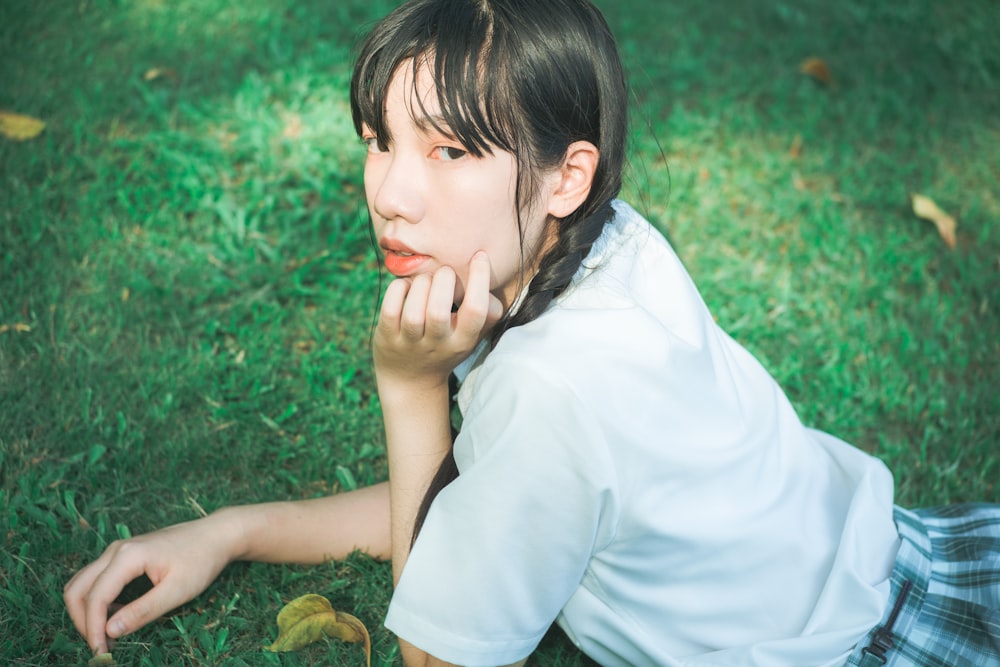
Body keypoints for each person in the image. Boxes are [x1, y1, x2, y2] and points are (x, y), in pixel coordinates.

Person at [64, 1, 1000, 665]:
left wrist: (409, 386)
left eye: (452, 150)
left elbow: (437, 653)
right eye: (378, 137)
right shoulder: (607, 246)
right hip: (906, 558)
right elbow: (478, 499)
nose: (389, 192)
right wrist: (231, 530)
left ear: (565, 175)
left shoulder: (557, 384)